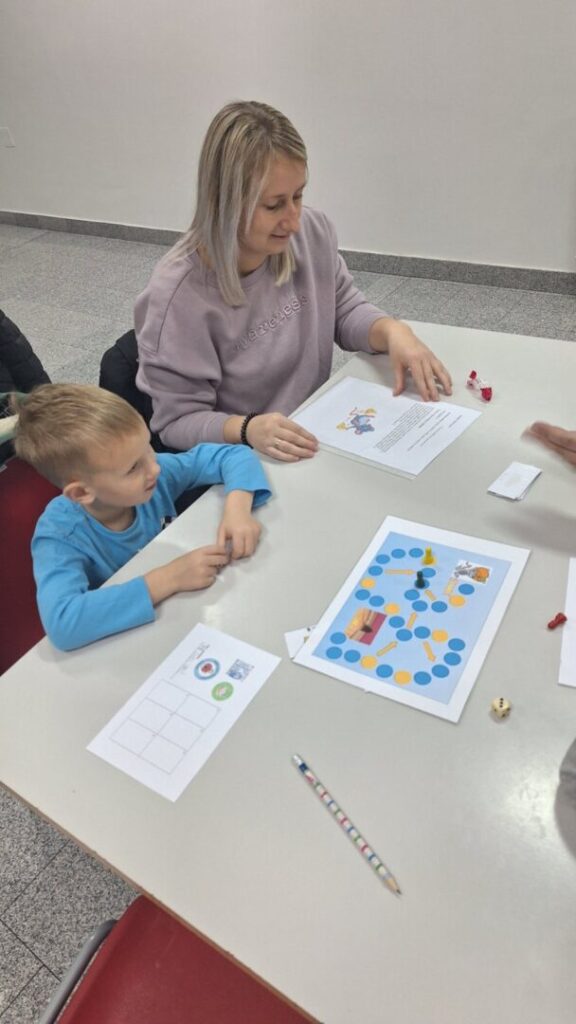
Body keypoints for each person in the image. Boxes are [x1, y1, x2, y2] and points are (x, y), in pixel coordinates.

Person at [135, 100, 452, 462]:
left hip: (313, 434)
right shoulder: (178, 296)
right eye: (274, 206)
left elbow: (344, 310)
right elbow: (177, 423)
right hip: (244, 459)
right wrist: (247, 429)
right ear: (225, 203)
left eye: (298, 196)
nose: (294, 220)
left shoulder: (310, 233)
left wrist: (393, 332)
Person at [12, 384, 271, 652]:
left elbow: (231, 454)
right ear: (81, 493)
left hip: (184, 617)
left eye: (148, 447)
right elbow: (63, 623)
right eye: (133, 467)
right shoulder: (59, 535)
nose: (154, 467)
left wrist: (238, 509)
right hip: (129, 647)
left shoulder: (154, 473)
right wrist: (169, 578)